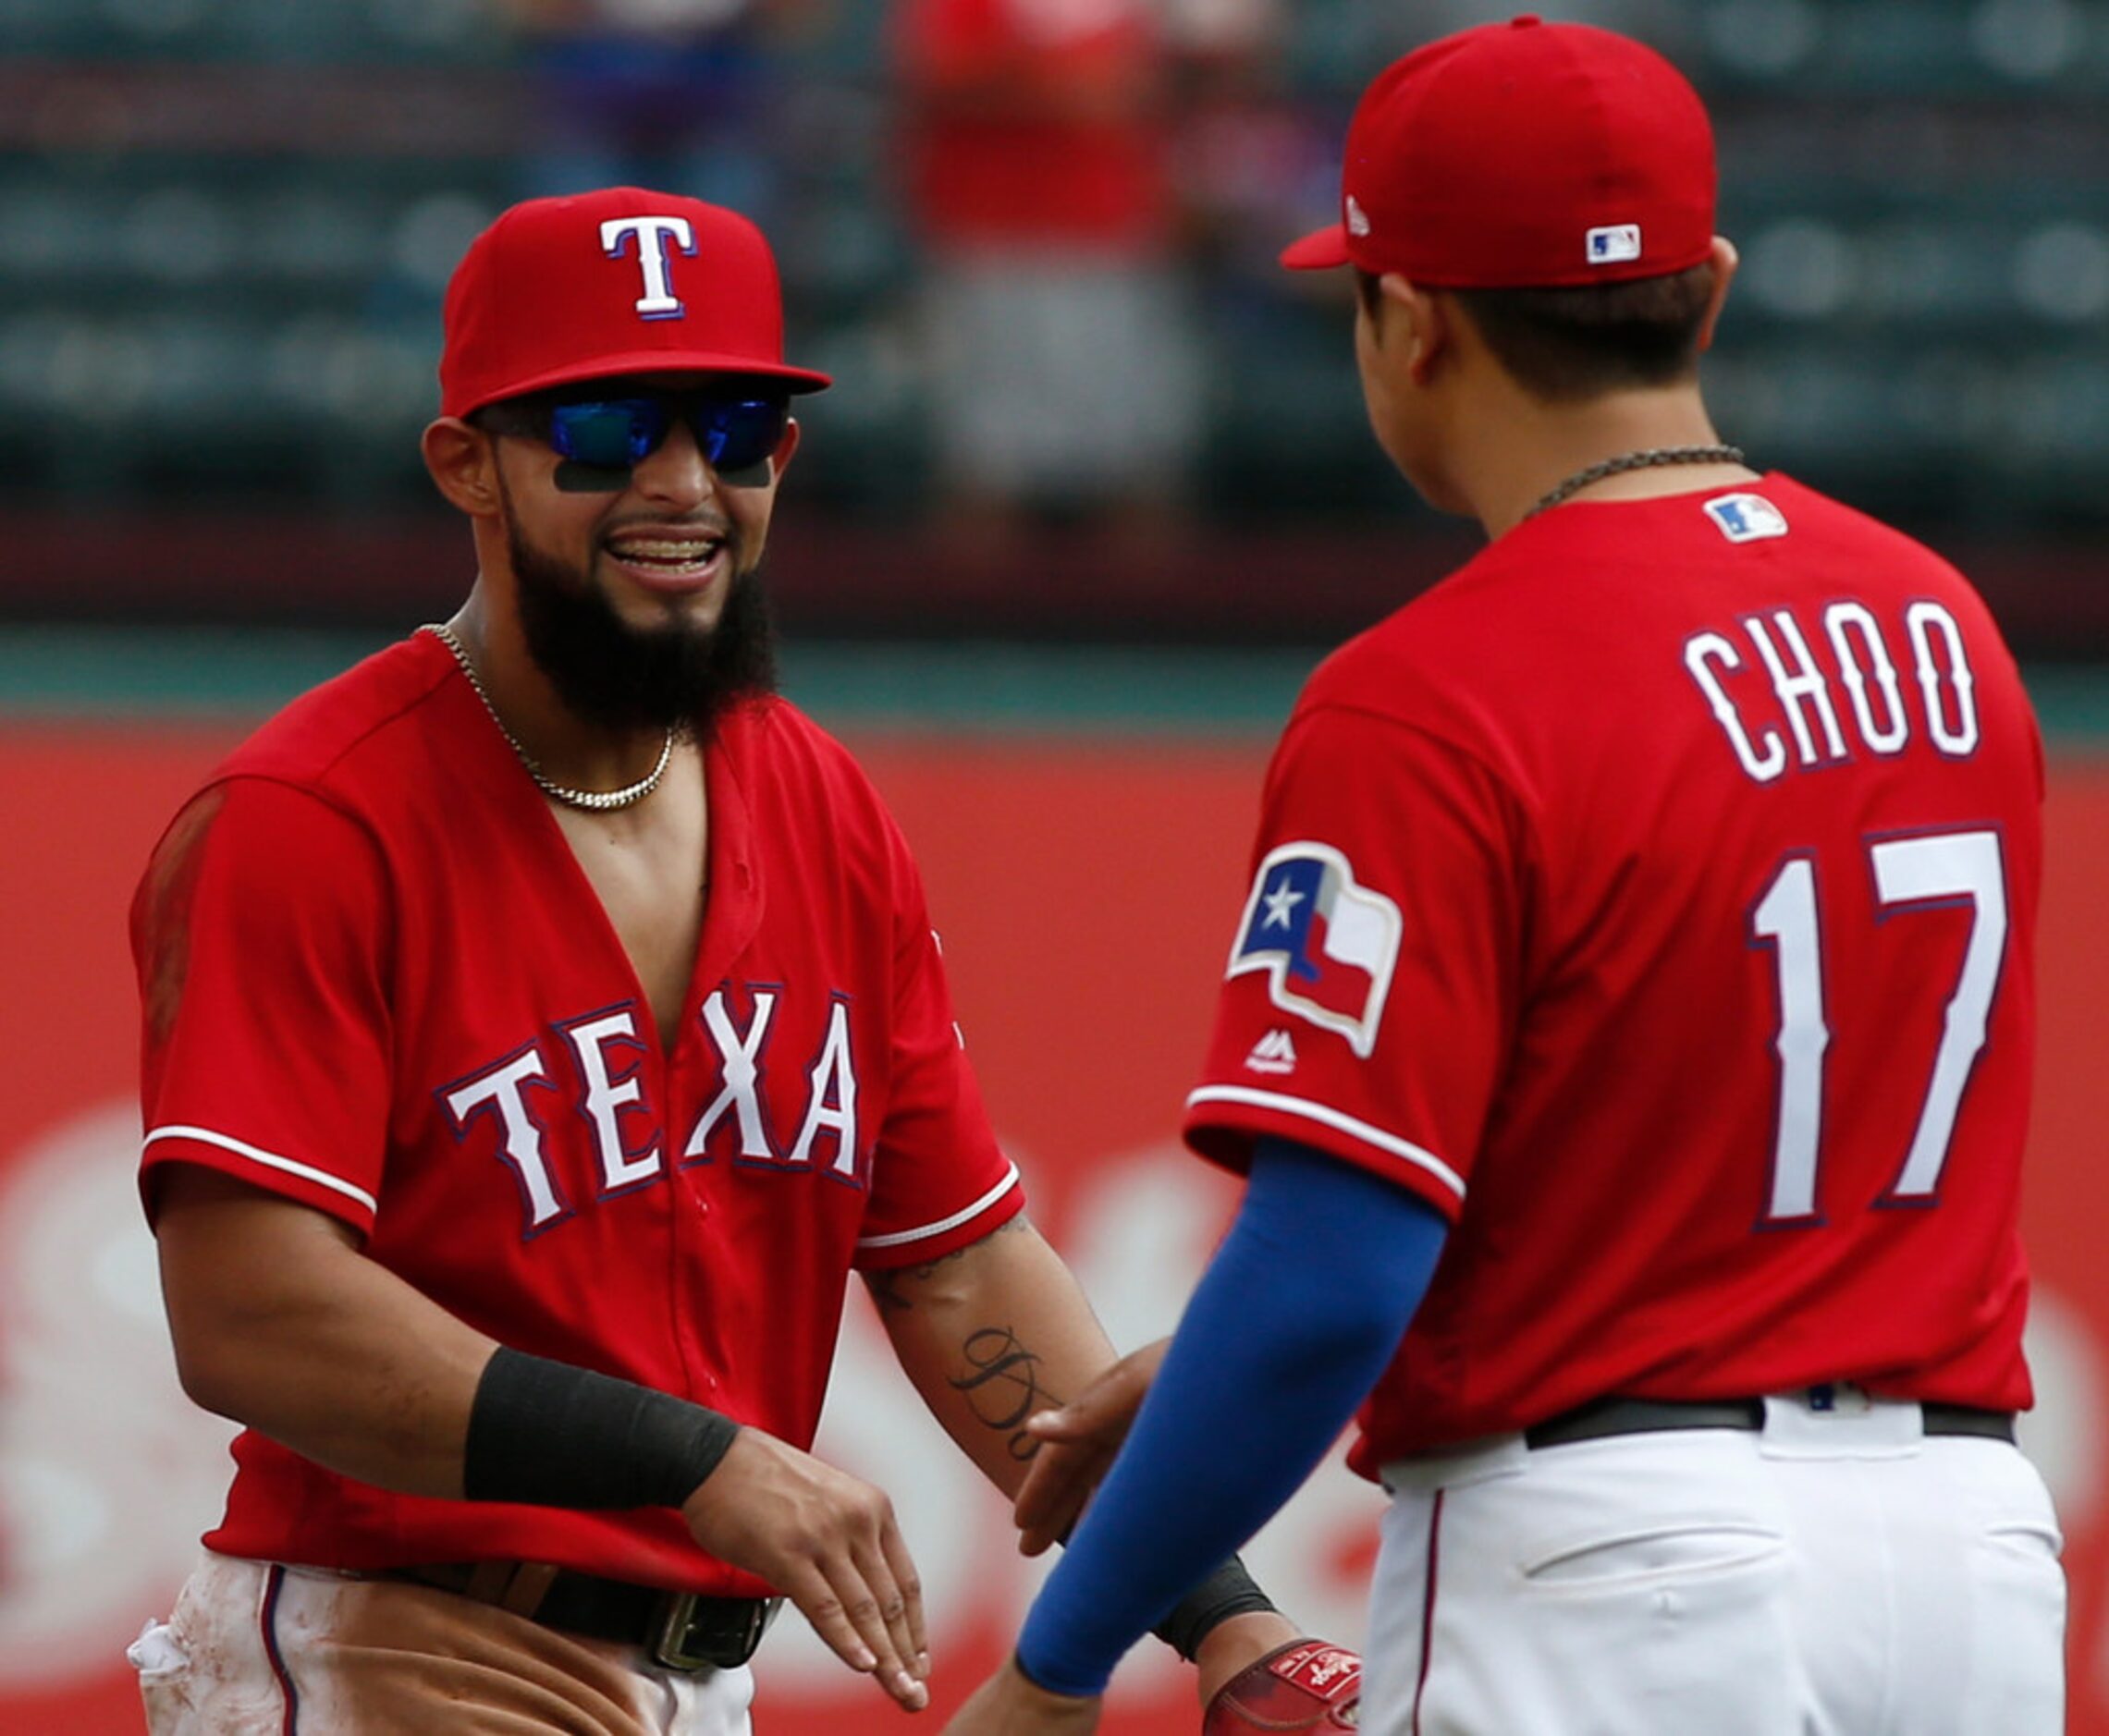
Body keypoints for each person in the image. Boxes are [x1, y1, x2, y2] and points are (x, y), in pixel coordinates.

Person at [944, 18, 2066, 1735]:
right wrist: (1202, 1400)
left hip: (1613, 1574)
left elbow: (1328, 1273)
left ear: (1408, 321)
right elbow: (1667, 1166)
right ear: (1709, 285)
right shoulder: (1944, 625)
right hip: (1972, 1556)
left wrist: (1058, 1659)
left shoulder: (1432, 690)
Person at [122, 185, 1338, 1734]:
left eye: (737, 427)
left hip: (695, 1675)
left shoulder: (819, 804)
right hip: (398, 1641)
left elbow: (953, 1261)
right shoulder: (309, 819)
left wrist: (1218, 1612)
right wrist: (690, 1454)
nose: (684, 485)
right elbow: (250, 1311)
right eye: (611, 429)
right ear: (464, 464)